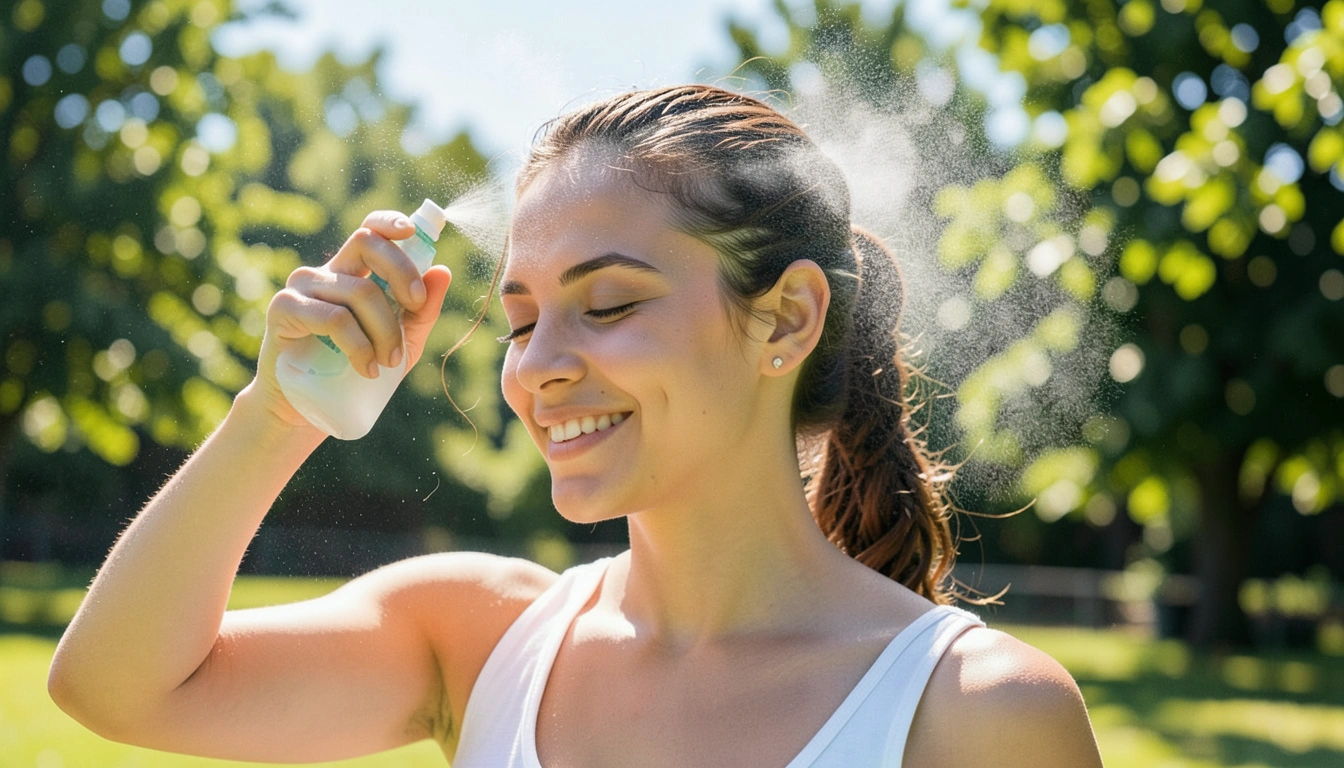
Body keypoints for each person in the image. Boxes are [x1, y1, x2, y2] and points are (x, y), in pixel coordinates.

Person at [49, 85, 1104, 766]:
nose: (539, 368)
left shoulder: (977, 716)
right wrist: (276, 413)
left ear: (784, 318)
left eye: (606, 306)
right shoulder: (477, 636)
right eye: (519, 319)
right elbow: (116, 686)